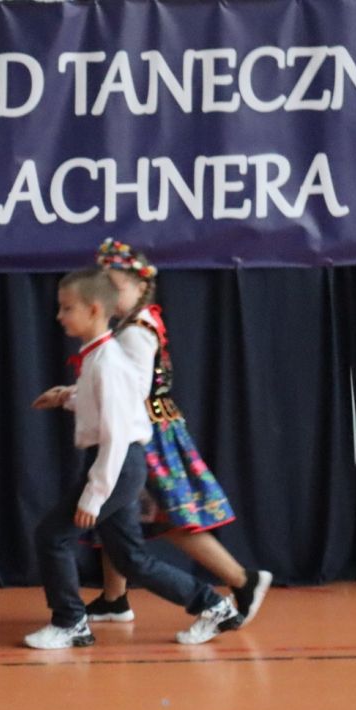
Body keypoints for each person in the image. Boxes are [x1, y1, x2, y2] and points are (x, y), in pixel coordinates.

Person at [26, 268, 241, 649]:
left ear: (95, 309)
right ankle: (213, 606)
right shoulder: (98, 356)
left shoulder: (108, 361)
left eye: (67, 308)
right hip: (116, 464)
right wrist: (65, 399)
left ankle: (70, 622)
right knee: (129, 558)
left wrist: (95, 494)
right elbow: (104, 408)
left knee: (52, 536)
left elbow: (117, 434)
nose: (59, 316)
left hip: (117, 464)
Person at [79, 239, 273, 626]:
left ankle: (243, 579)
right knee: (117, 513)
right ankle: (114, 598)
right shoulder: (135, 323)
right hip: (149, 428)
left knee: (169, 518)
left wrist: (80, 397)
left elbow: (130, 391)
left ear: (140, 286)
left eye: (115, 286)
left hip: (145, 435)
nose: (108, 294)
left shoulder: (134, 332)